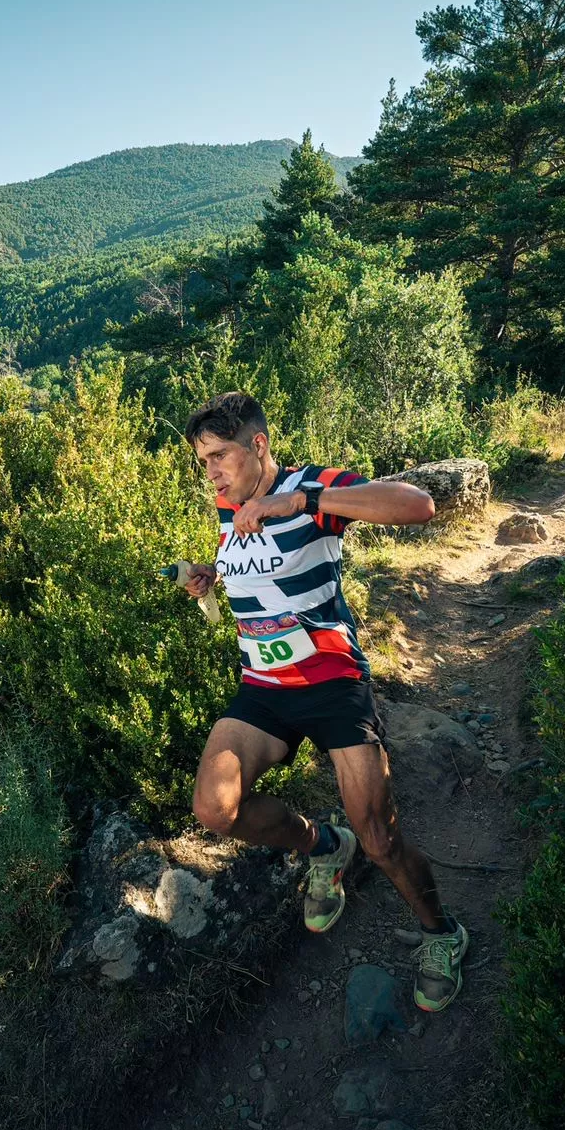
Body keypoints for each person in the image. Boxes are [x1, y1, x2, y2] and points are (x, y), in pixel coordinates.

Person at [178, 390, 468, 1011]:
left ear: (258, 446)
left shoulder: (312, 488)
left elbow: (418, 505)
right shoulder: (229, 508)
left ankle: (441, 933)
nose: (213, 473)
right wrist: (210, 571)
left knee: (381, 839)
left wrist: (300, 500)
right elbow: (264, 566)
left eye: (221, 456)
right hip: (263, 688)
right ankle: (320, 847)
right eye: (204, 461)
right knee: (214, 808)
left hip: (333, 685)